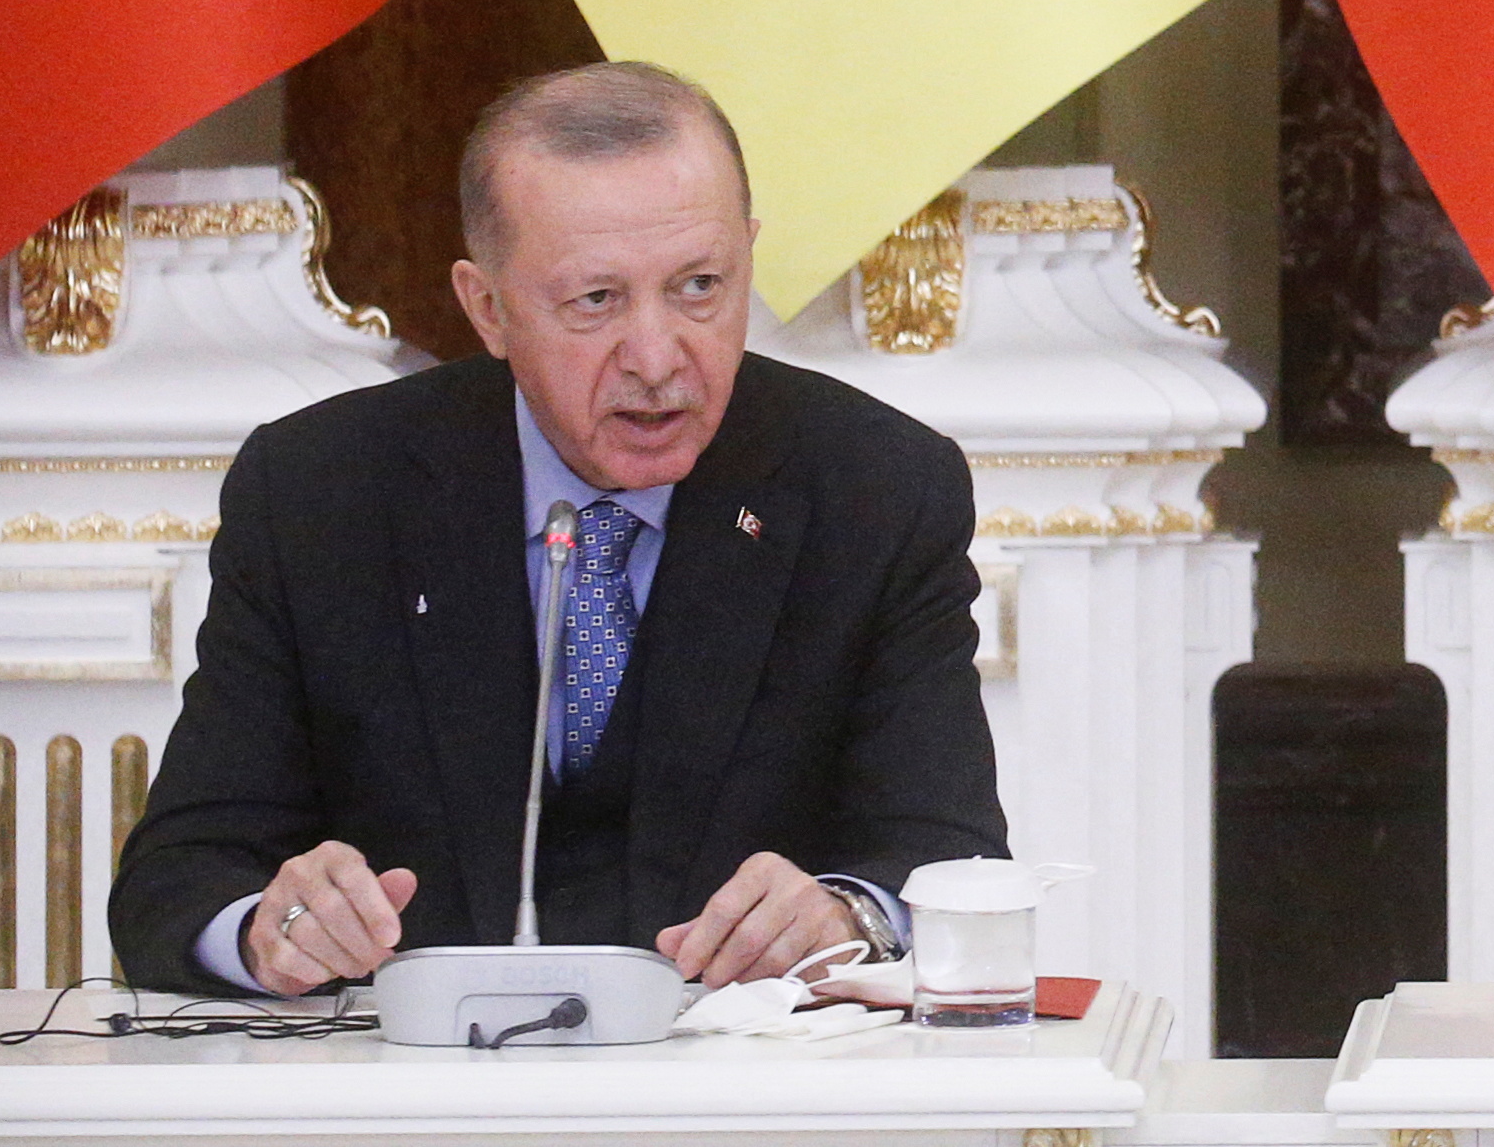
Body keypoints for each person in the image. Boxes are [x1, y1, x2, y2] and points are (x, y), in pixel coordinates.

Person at [107, 64, 1002, 995]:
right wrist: (271, 929)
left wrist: (847, 916)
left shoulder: (876, 488)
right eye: (596, 301)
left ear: (748, 255)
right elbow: (179, 878)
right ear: (487, 307)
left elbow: (950, 858)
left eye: (700, 285)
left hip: (742, 1094)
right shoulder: (322, 493)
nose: (658, 360)